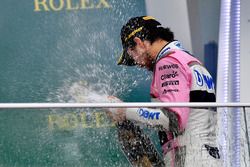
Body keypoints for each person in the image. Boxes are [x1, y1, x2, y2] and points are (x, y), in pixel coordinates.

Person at [108, 16, 222, 167]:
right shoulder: (189, 60)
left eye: (132, 55)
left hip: (190, 160)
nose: (136, 63)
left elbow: (173, 120)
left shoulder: (167, 62)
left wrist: (124, 111)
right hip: (207, 157)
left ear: (138, 42)